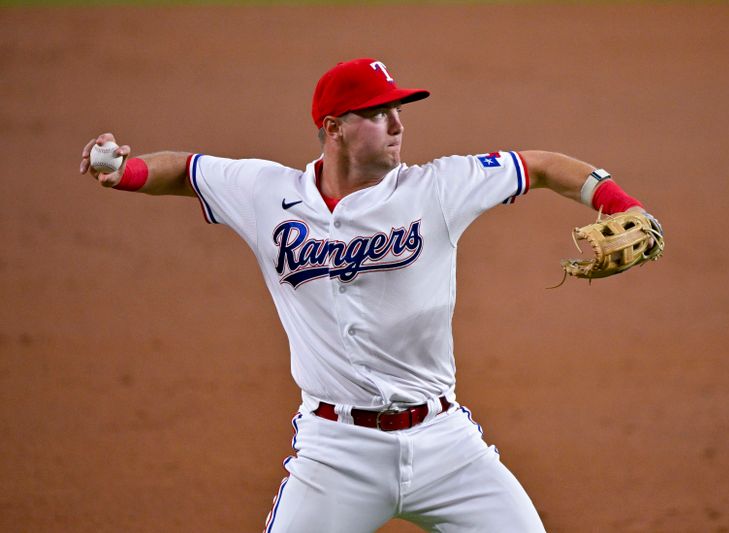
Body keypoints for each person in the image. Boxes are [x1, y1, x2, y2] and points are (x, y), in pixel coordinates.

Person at [79, 58, 659, 533]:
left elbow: (540, 166)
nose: (397, 124)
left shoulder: (437, 189)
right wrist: (125, 173)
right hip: (335, 453)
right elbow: (187, 171)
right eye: (379, 113)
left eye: (398, 111)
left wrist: (621, 204)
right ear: (333, 128)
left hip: (445, 445)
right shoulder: (264, 192)